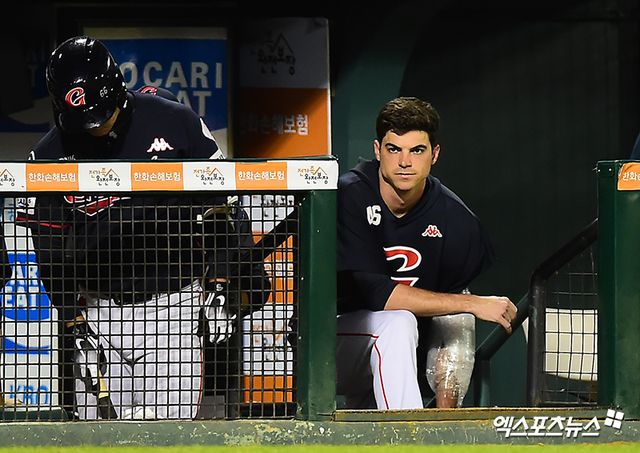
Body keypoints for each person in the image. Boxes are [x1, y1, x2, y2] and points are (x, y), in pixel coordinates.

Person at [17, 36, 270, 420]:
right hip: (98, 310)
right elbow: (49, 252)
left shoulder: (176, 122)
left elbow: (224, 210)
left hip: (172, 306)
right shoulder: (49, 155)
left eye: (100, 116)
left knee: (167, 437)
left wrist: (220, 284)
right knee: (97, 442)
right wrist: (73, 323)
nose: (94, 129)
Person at [336, 96, 517, 410]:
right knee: (398, 322)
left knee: (443, 316)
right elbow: (378, 295)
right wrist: (475, 304)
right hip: (327, 347)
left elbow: (454, 314)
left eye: (417, 150)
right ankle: (411, 432)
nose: (405, 162)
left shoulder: (454, 218)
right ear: (378, 150)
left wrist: (445, 412)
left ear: (435, 154)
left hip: (396, 360)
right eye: (394, 149)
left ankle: (429, 428)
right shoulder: (349, 196)